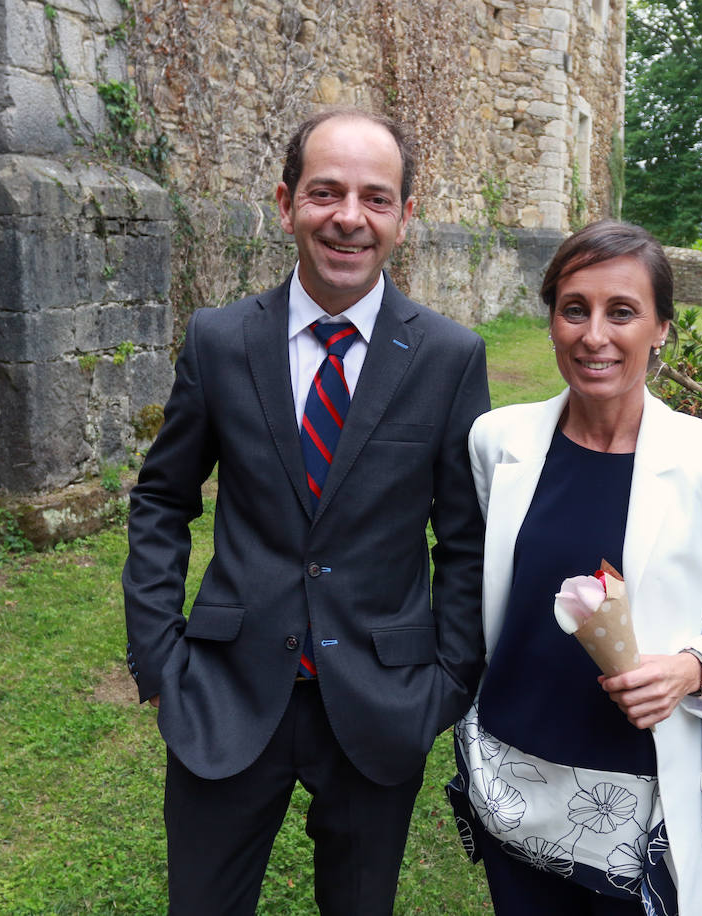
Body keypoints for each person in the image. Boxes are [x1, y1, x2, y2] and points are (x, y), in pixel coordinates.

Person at [123, 108, 490, 915]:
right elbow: (161, 500)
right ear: (286, 203)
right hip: (225, 689)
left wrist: (449, 680)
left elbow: (464, 539)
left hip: (379, 700)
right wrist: (157, 657)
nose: (349, 218)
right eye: (325, 193)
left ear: (403, 216)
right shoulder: (220, 341)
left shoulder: (449, 357)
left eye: (375, 197)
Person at [448, 219, 702, 916]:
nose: (594, 335)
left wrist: (691, 668)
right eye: (575, 309)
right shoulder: (498, 442)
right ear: (552, 321)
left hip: (640, 794)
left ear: (661, 328)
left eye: (621, 311)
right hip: (515, 779)